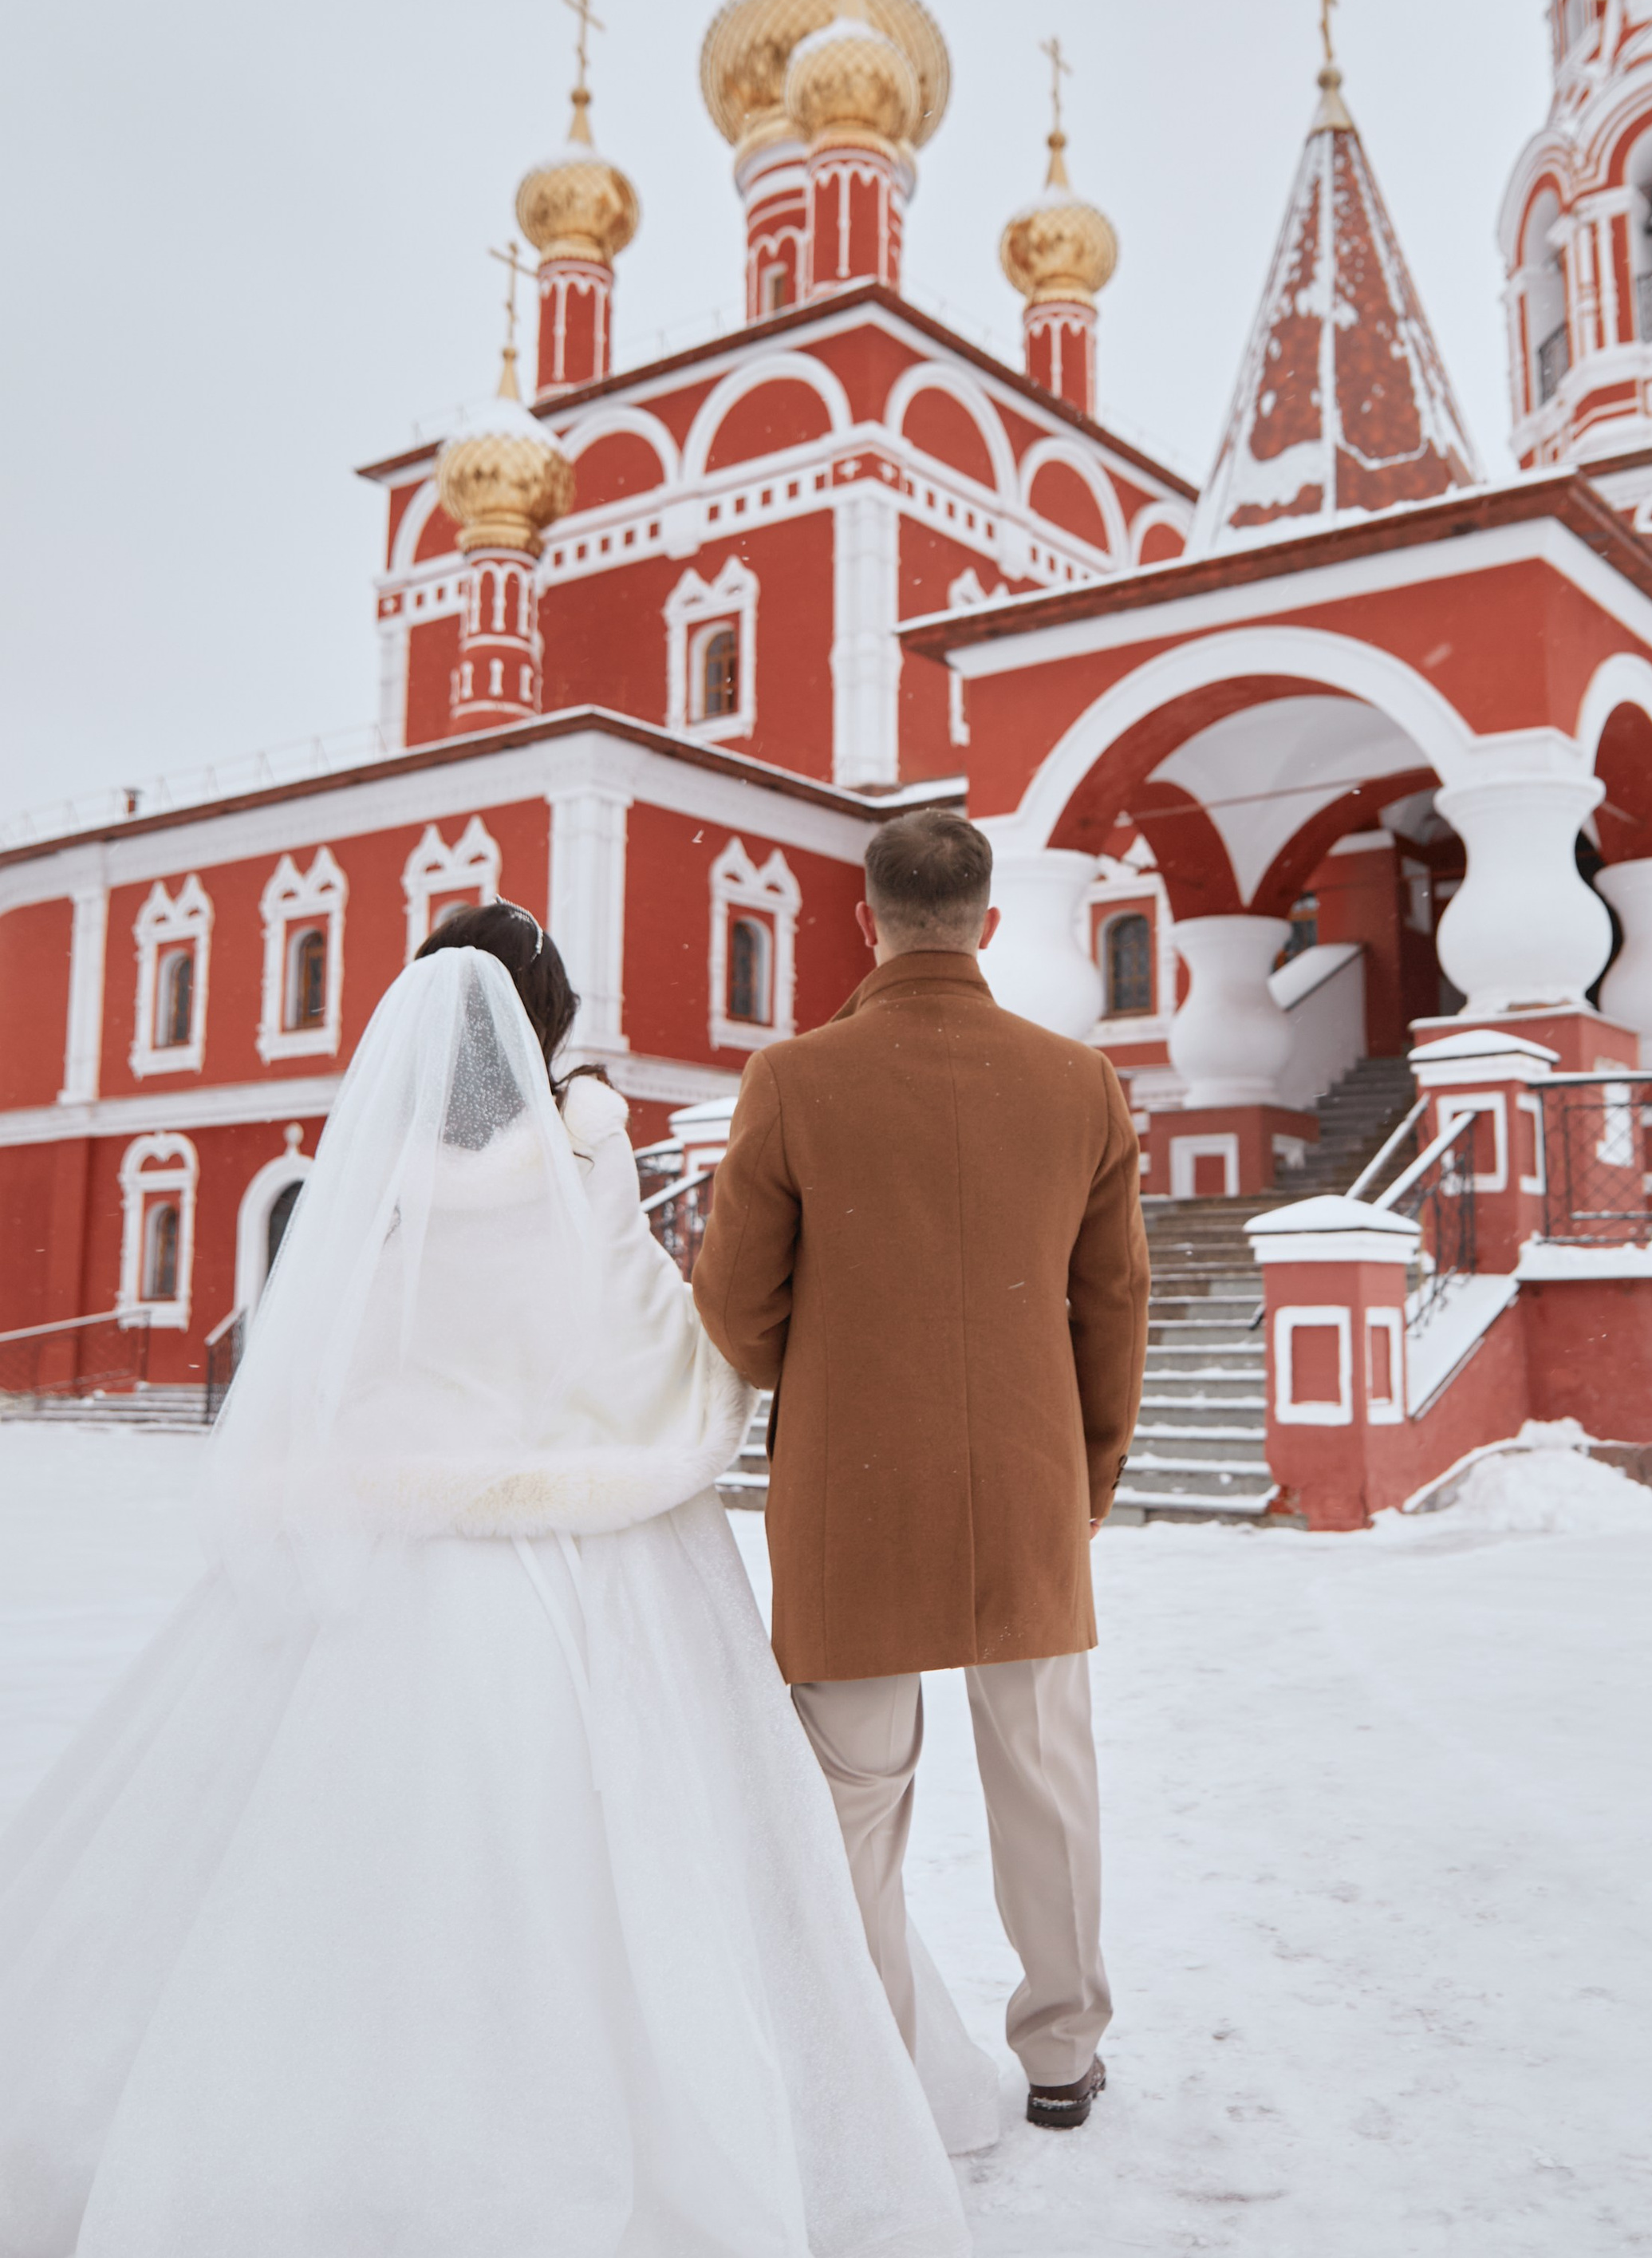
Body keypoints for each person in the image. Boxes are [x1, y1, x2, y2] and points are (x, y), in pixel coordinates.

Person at [0, 904, 976, 2258]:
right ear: (546, 1023)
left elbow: (343, 1365)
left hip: (384, 1555)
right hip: (589, 1566)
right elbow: (639, 1337)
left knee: (308, 1862)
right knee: (648, 1844)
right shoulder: (583, 1161)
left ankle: (280, 2120)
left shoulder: (371, 1178)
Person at [693, 807, 1151, 2134]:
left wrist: (831, 1369)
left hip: (856, 1481)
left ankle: (868, 2062)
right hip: (1024, 1478)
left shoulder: (796, 1078)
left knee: (851, 1794)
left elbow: (734, 1305)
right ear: (990, 921)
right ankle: (1063, 2053)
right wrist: (1089, 1475)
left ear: (866, 920)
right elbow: (1111, 1306)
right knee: (1046, 1777)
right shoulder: (1081, 1082)